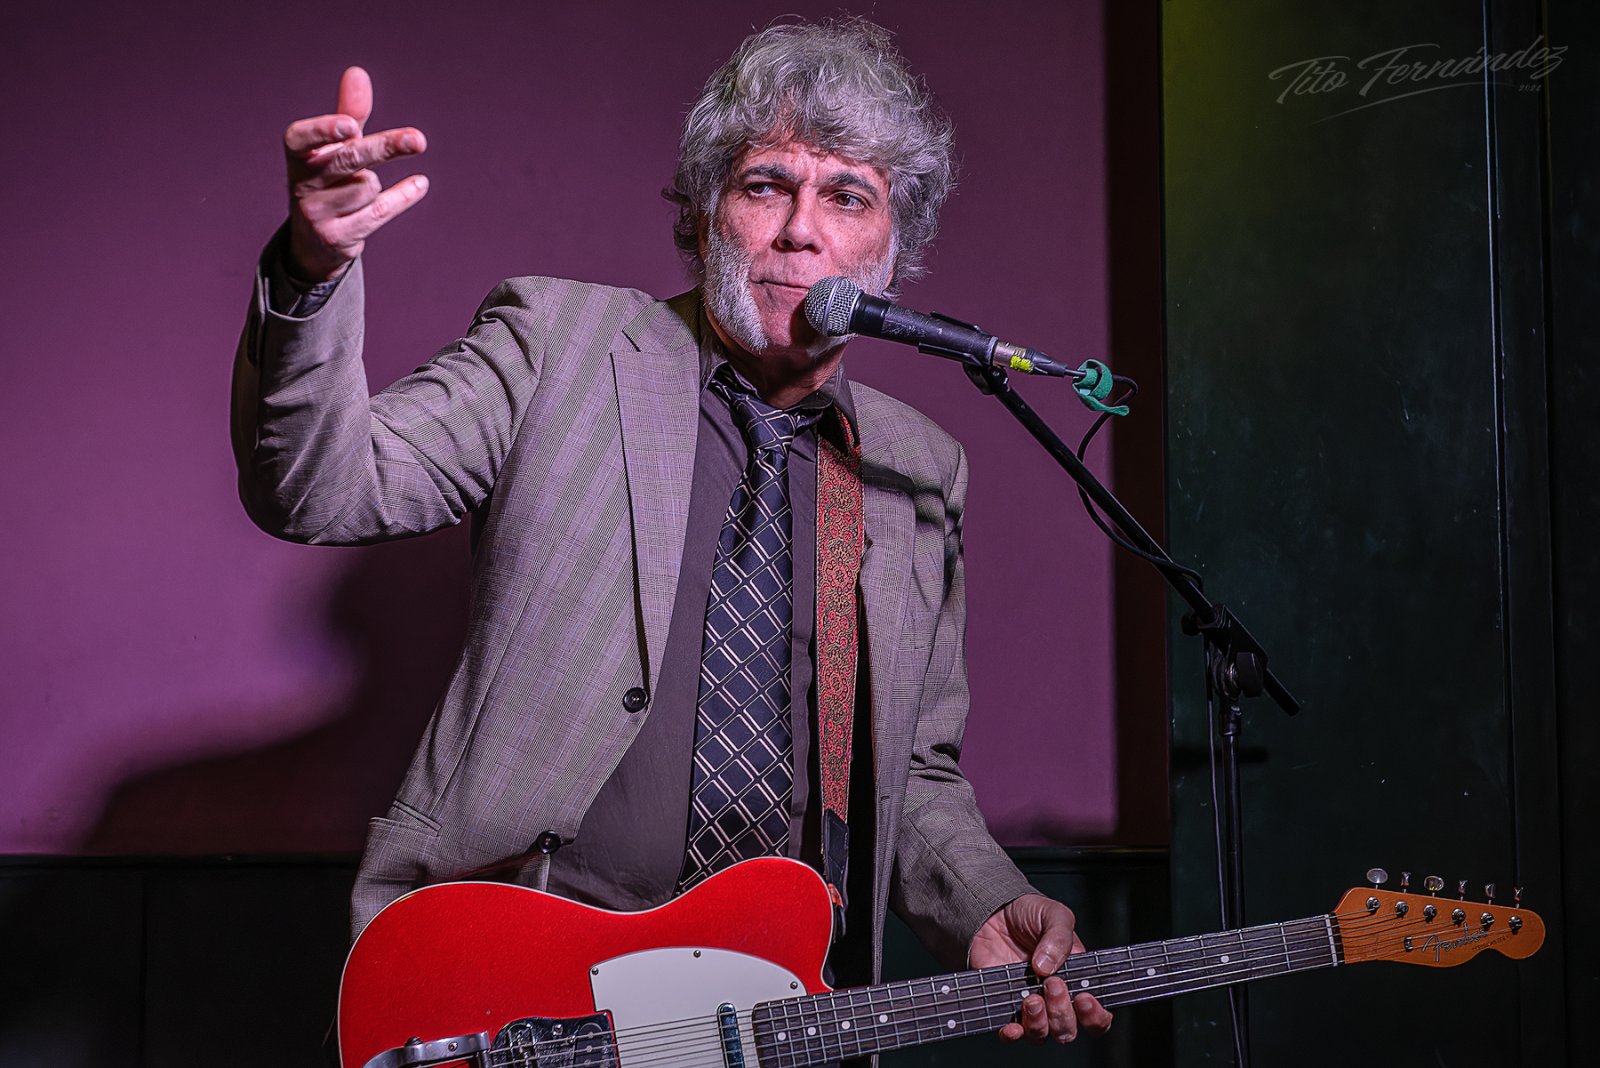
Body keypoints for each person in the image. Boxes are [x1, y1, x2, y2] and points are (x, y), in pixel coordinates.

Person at [232, 19, 1112, 1048]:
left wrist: (984, 903)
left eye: (846, 197)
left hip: (771, 1011)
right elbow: (320, 489)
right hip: (517, 986)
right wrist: (314, 269)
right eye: (764, 185)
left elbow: (909, 769)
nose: (800, 231)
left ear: (891, 250)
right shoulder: (555, 345)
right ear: (701, 214)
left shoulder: (916, 465)